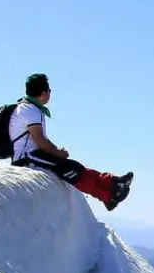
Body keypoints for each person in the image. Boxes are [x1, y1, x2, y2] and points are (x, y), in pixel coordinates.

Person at [10, 73, 133, 211]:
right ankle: (109, 195)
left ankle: (113, 183)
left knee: (76, 167)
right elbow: (40, 141)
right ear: (43, 93)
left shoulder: (28, 108)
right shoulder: (30, 111)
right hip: (26, 158)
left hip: (33, 154)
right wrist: (57, 153)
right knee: (70, 170)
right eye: (49, 90)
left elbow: (39, 140)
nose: (50, 93)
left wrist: (57, 151)